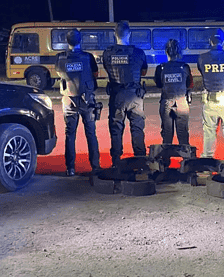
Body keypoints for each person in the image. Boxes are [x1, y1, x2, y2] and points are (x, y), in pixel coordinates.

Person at [55, 28, 101, 176]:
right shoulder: (88, 57)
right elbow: (95, 74)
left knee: (70, 135)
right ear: (80, 40)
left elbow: (59, 72)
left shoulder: (60, 57)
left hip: (69, 100)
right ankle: (95, 167)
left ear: (67, 41)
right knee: (91, 134)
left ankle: (70, 168)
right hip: (87, 100)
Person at [102, 21, 148, 166]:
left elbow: (107, 69)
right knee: (137, 128)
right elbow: (143, 71)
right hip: (135, 95)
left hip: (117, 95)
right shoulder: (138, 53)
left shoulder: (108, 53)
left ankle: (116, 161)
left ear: (115, 35)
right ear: (129, 34)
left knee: (116, 129)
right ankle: (140, 161)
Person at [197, 28, 224, 173]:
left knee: (209, 131)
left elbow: (202, 72)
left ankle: (208, 163)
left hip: (210, 99)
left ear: (210, 41)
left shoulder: (202, 58)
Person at [154, 38, 193, 145]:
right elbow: (189, 84)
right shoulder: (185, 67)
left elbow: (159, 84)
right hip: (182, 102)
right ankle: (185, 155)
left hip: (166, 102)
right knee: (183, 134)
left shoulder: (160, 68)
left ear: (166, 52)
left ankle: (166, 155)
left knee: (167, 135)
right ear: (179, 52)